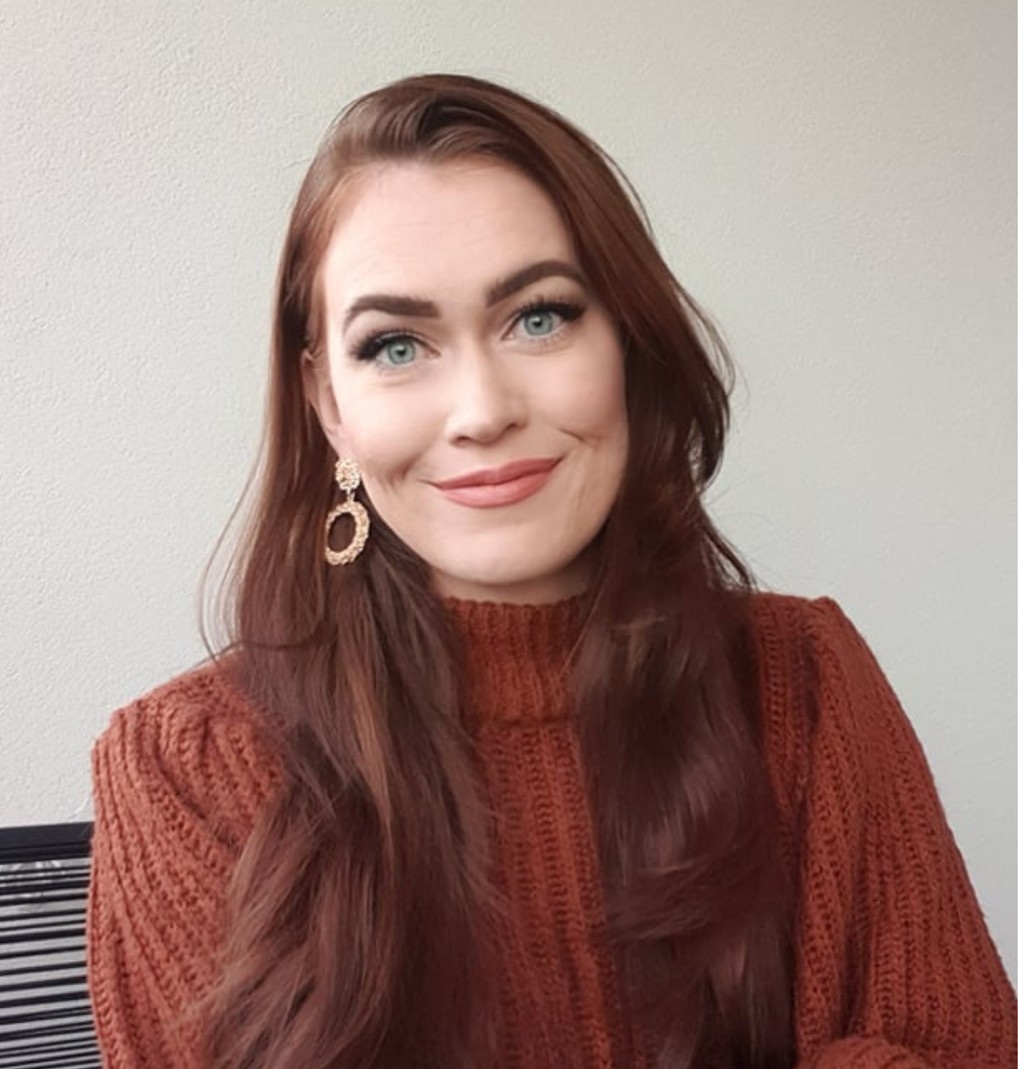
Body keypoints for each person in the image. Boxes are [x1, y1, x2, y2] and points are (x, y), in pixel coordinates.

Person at [86, 73, 1016, 1069]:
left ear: (628, 345)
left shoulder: (806, 678)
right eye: (395, 345)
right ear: (328, 407)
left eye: (538, 317)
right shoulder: (184, 764)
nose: (483, 409)